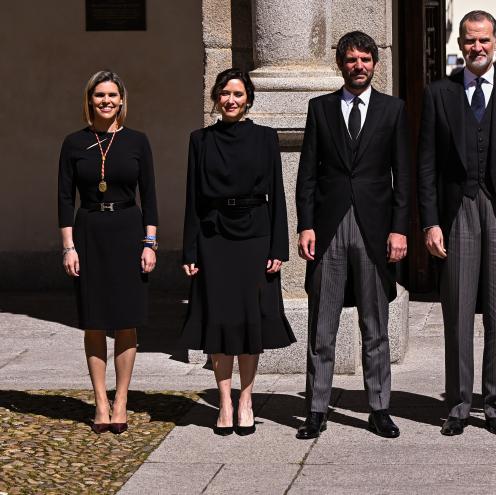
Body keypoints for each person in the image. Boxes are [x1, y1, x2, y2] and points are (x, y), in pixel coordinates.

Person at [418, 10, 496, 436]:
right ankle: (457, 404)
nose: (477, 47)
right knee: (457, 313)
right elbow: (427, 165)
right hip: (457, 213)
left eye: (484, 40)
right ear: (459, 43)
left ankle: (495, 404)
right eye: (470, 41)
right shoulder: (439, 93)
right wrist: (430, 223)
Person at [295, 31, 410, 440]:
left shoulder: (393, 110)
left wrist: (399, 229)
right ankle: (316, 408)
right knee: (322, 326)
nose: (358, 66)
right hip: (328, 229)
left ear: (375, 63)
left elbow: (403, 175)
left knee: (375, 326)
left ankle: (379, 407)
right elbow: (307, 173)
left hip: (375, 230)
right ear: (340, 64)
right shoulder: (320, 108)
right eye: (350, 59)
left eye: (365, 59)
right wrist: (305, 224)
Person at [180, 68, 295, 436]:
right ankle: (224, 400)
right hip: (214, 237)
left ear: (248, 100)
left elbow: (276, 195)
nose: (231, 100)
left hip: (255, 236)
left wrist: (279, 246)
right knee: (220, 320)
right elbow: (192, 199)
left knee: (249, 321)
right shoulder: (200, 140)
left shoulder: (265, 138)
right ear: (216, 96)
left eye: (238, 94)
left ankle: (246, 398)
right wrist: (190, 249)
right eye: (225, 93)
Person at [58, 70, 158, 435]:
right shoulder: (73, 143)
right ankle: (100, 401)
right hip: (89, 233)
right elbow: (65, 198)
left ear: (121, 101)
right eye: (99, 95)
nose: (106, 101)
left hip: (129, 232)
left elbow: (149, 196)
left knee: (127, 319)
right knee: (94, 320)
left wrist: (150, 243)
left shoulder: (137, 141)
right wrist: (68, 247)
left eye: (112, 95)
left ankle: (122, 401)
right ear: (89, 100)